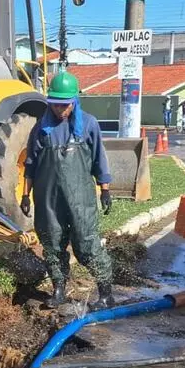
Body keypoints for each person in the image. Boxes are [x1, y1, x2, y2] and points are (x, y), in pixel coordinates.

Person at [20, 70, 115, 309]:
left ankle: (105, 293)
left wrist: (105, 189)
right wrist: (24, 195)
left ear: (74, 101)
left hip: (80, 198)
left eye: (64, 105)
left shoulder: (89, 125)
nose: (60, 110)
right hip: (49, 199)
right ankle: (59, 289)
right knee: (52, 244)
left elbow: (98, 160)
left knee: (86, 245)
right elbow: (30, 165)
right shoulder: (41, 129)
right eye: (55, 105)